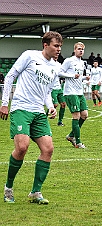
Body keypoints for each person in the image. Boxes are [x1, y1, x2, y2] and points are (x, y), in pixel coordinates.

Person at [0, 31, 63, 204]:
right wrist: (5, 103)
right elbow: (10, 76)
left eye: (60, 46)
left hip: (38, 112)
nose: (58, 50)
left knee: (48, 149)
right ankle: (9, 188)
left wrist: (50, 106)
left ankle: (35, 192)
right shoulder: (29, 56)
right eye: (55, 46)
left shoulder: (56, 67)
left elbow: (47, 91)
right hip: (21, 108)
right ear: (45, 45)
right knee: (22, 147)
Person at [59, 42, 89, 149]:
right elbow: (59, 72)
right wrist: (72, 75)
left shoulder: (82, 63)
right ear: (75, 50)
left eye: (82, 49)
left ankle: (71, 135)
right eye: (79, 49)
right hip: (70, 92)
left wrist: (85, 78)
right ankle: (78, 142)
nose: (81, 51)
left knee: (84, 115)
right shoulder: (69, 61)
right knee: (76, 116)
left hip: (79, 92)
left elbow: (78, 77)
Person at [51, 59, 66, 126]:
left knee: (63, 104)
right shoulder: (48, 63)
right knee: (55, 105)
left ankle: (60, 121)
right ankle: (44, 117)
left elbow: (62, 73)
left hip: (59, 88)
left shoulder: (59, 64)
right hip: (52, 88)